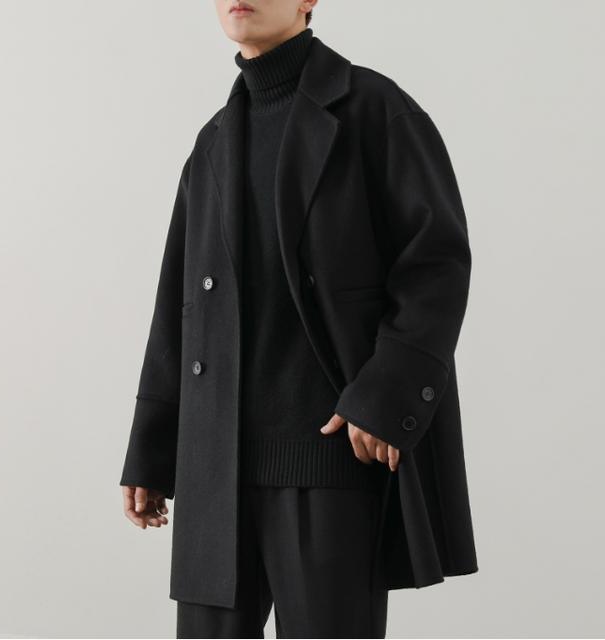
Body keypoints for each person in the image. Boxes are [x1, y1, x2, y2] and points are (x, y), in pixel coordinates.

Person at [120, 1, 479, 638]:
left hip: (329, 461)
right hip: (215, 472)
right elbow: (180, 306)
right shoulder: (212, 143)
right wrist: (151, 449)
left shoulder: (374, 110)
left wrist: (386, 394)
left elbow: (436, 261)